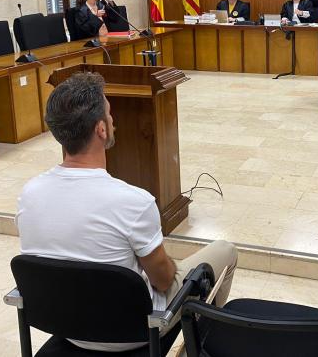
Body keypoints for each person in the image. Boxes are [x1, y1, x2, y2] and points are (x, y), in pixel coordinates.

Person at [16, 72, 237, 352]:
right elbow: (163, 281)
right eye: (110, 114)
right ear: (101, 129)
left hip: (66, 327)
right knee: (225, 251)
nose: (113, 120)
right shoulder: (134, 202)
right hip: (133, 332)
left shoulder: (29, 194)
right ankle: (199, 345)